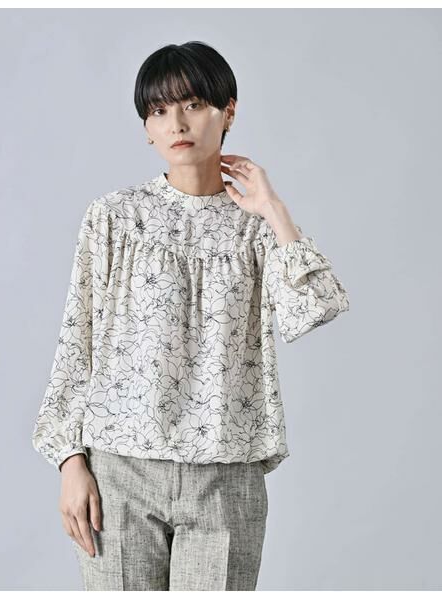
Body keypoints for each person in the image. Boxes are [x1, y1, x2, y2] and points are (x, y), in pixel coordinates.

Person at [32, 40, 350, 591]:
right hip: (119, 471)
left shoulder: (257, 229)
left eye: (194, 104)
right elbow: (76, 342)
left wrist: (275, 211)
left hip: (225, 477)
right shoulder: (115, 218)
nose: (176, 123)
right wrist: (69, 461)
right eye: (158, 110)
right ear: (146, 128)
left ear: (229, 111)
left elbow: (313, 309)